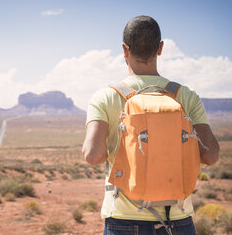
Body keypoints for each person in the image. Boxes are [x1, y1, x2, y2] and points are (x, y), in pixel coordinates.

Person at [82, 15, 220, 235]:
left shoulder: (105, 97)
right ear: (161, 48)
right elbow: (211, 155)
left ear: (124, 50)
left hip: (124, 220)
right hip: (178, 219)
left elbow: (92, 155)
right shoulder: (185, 96)